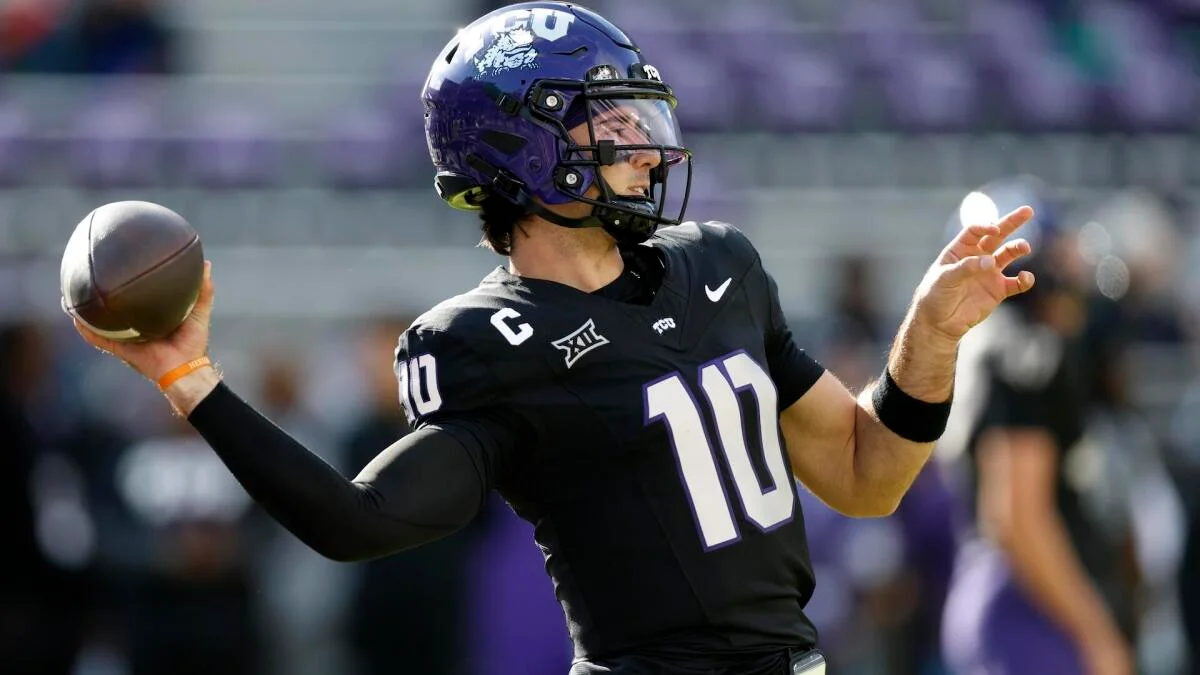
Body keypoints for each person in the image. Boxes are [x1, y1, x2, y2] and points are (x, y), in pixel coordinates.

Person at [69, 3, 1036, 673]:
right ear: (519, 150)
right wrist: (193, 381)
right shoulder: (486, 340)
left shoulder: (720, 265)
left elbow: (868, 475)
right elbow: (358, 522)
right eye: (601, 117)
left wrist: (930, 336)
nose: (639, 139)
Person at [936, 177, 1136, 675]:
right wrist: (1097, 633)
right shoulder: (1025, 350)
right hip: (1028, 603)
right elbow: (1016, 514)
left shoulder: (997, 345)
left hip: (1011, 593)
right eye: (1059, 252)